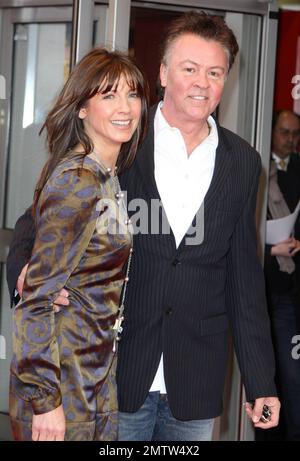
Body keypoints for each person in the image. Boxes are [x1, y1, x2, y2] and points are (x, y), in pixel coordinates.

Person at [7, 11, 280, 441]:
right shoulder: (125, 136)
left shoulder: (242, 162)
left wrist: (262, 381)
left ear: (226, 78)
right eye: (189, 69)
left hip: (196, 379)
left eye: (214, 72)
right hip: (118, 373)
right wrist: (26, 273)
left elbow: (244, 279)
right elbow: (37, 218)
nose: (201, 83)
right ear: (164, 73)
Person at [8, 48, 148, 441]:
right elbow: (34, 302)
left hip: (91, 380)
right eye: (109, 95)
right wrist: (46, 401)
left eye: (132, 94)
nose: (125, 107)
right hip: (64, 389)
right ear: (82, 108)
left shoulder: (104, 175)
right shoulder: (79, 181)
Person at [262, 110, 300, 441]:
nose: (290, 139)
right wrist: (269, 249)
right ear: (271, 131)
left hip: (288, 288)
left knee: (290, 373)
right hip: (259, 283)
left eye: (295, 134)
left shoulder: (298, 168)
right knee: (266, 371)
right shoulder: (258, 167)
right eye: (285, 132)